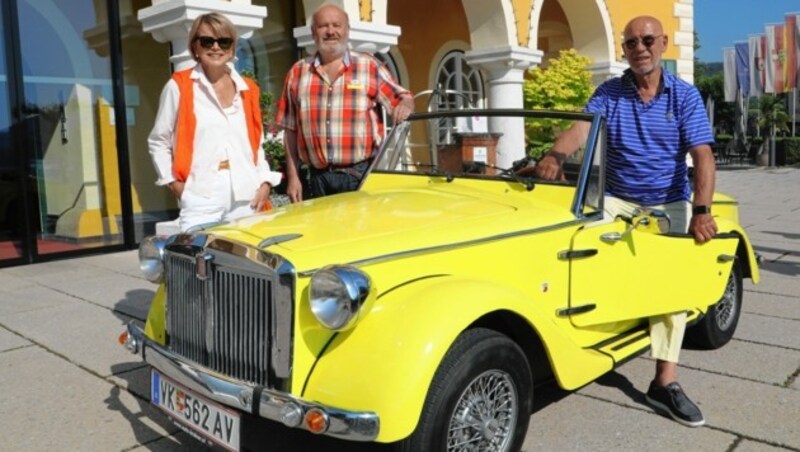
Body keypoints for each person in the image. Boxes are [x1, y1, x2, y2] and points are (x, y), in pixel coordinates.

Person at [535, 16, 717, 427]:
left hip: (667, 201)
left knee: (674, 284)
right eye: (631, 42)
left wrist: (702, 212)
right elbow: (581, 130)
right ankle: (582, 337)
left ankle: (664, 381)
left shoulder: (684, 97)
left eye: (648, 39)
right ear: (624, 49)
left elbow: (702, 156)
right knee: (575, 244)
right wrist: (554, 156)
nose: (640, 47)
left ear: (663, 44)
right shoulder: (609, 93)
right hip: (617, 199)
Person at [148, 12, 282, 232]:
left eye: (224, 41)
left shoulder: (248, 89)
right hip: (202, 193)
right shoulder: (179, 86)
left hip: (246, 194)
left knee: (245, 263)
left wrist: (265, 182)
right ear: (196, 47)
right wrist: (174, 184)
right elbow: (158, 140)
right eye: (207, 41)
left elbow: (255, 144)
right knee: (200, 262)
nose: (216, 47)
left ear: (232, 47)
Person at [275, 3, 414, 202]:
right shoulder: (297, 72)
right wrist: (293, 177)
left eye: (336, 25)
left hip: (360, 177)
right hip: (316, 180)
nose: (330, 31)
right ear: (314, 32)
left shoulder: (368, 66)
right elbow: (290, 130)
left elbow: (402, 97)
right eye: (323, 26)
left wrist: (406, 104)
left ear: (347, 30)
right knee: (321, 233)